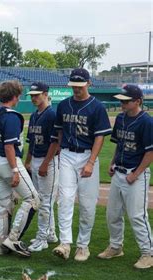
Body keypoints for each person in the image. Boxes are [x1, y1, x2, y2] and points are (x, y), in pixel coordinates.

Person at [52, 68, 111, 261]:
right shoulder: (63, 105)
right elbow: (60, 131)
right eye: (73, 86)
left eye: (80, 85)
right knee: (66, 199)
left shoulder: (97, 107)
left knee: (87, 205)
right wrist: (60, 150)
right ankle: (65, 243)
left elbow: (100, 137)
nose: (76, 89)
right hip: (68, 154)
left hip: (87, 156)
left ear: (88, 84)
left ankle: (83, 246)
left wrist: (91, 162)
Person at [98, 85, 153, 269]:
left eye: (126, 100)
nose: (122, 103)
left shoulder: (146, 121)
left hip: (135, 175)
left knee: (137, 216)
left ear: (137, 101)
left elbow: (150, 152)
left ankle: (148, 253)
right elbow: (119, 144)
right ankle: (115, 246)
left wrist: (136, 174)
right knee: (112, 213)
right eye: (121, 100)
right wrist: (113, 163)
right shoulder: (121, 118)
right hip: (119, 172)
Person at [0, 81, 39, 258]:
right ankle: (13, 238)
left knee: (4, 204)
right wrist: (15, 170)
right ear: (15, 96)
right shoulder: (11, 116)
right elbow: (9, 146)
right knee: (33, 199)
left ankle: (0, 245)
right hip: (8, 162)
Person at [24, 82, 60, 252]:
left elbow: (56, 142)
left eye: (37, 94)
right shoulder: (34, 115)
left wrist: (45, 163)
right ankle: (51, 233)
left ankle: (42, 238)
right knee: (42, 199)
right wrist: (28, 161)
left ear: (46, 94)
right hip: (37, 159)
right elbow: (31, 140)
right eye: (32, 95)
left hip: (49, 161)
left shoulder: (52, 114)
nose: (33, 97)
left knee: (45, 201)